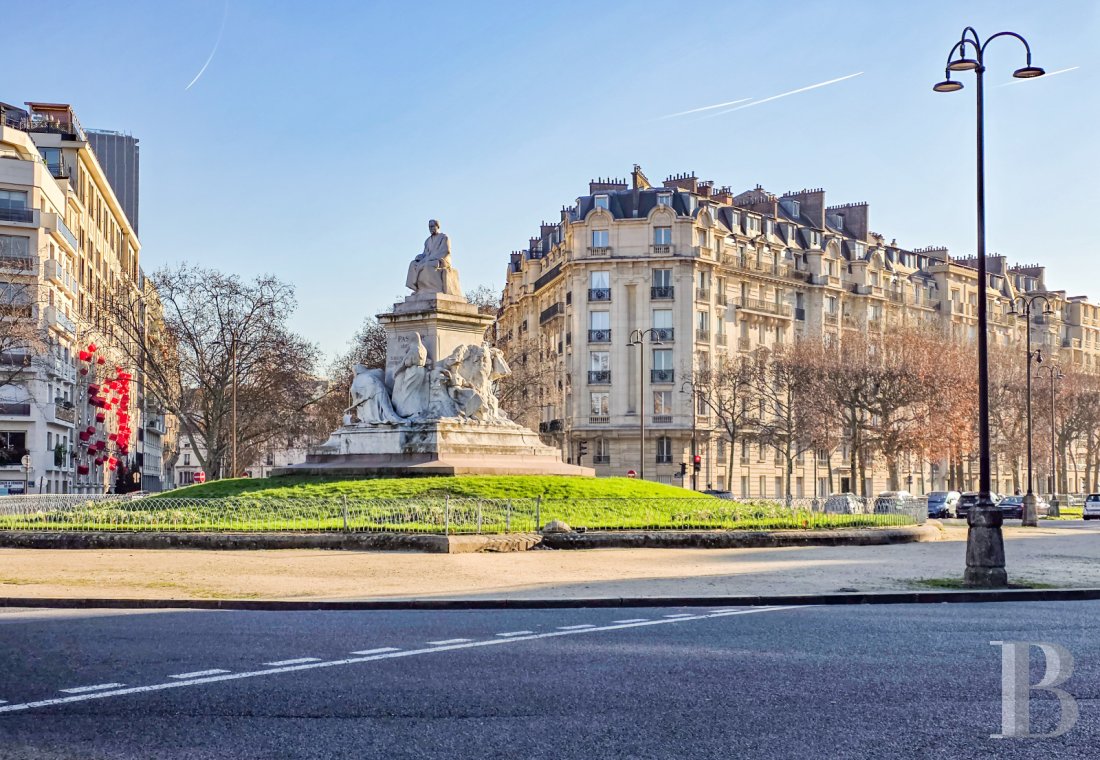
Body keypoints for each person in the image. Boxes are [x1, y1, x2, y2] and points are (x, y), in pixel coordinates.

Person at [406, 219, 461, 296]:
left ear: (437, 226)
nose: (430, 229)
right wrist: (420, 257)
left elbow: (446, 251)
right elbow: (425, 253)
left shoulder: (444, 237)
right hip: (428, 259)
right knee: (413, 263)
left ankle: (432, 289)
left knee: (427, 265)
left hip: (441, 260)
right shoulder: (427, 241)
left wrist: (429, 258)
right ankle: (418, 289)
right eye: (429, 227)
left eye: (432, 226)